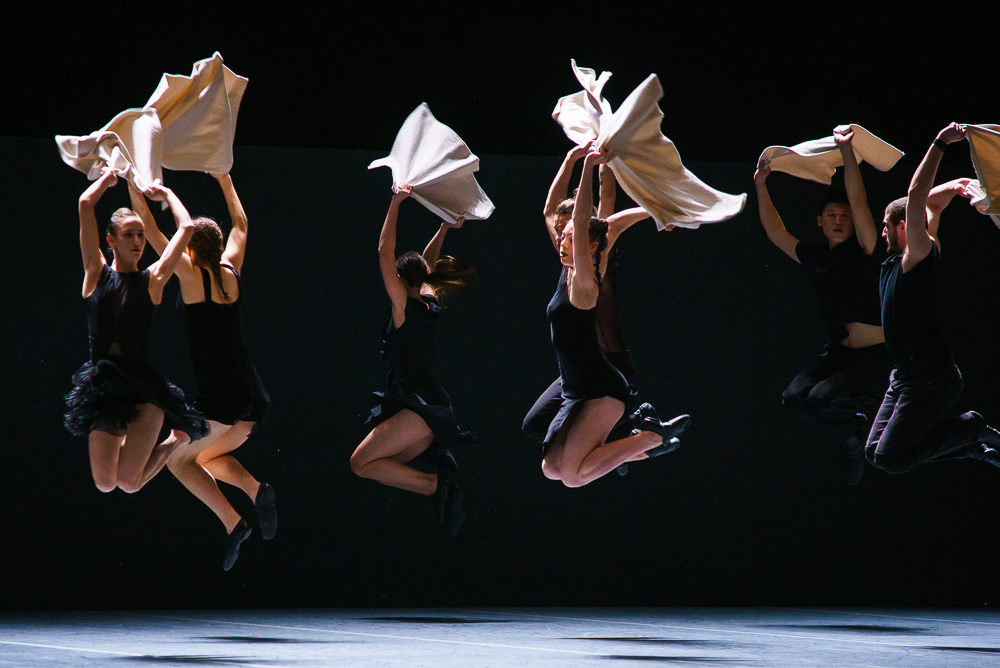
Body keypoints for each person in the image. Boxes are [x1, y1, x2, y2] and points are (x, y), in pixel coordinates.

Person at [128, 173, 274, 571]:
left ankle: (233, 523)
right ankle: (256, 490)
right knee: (204, 459)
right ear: (220, 246)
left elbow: (152, 228)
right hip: (250, 392)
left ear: (190, 249)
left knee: (177, 462)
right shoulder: (230, 270)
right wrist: (225, 177)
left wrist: (133, 182)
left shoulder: (191, 274)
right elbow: (241, 223)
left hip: (223, 398)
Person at [523, 140, 689, 473]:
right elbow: (550, 211)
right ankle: (627, 447)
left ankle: (638, 438)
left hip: (609, 363)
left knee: (573, 469)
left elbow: (606, 207)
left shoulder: (593, 263)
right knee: (538, 432)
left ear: (587, 238)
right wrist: (571, 158)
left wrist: (602, 162)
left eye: (567, 231)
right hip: (577, 372)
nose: (560, 236)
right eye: (560, 232)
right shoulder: (568, 264)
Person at [753, 127, 891, 484]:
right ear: (820, 221)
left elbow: (858, 200)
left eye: (844, 215)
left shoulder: (864, 247)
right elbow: (776, 233)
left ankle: (857, 429)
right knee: (794, 398)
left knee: (820, 398)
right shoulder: (815, 257)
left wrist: (846, 153)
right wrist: (761, 185)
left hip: (878, 356)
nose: (839, 220)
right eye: (832, 215)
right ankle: (852, 431)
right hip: (839, 353)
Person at [866, 122, 1000, 473]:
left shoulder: (918, 254)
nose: (882, 232)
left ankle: (971, 428)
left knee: (889, 458)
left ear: (902, 227)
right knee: (874, 453)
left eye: (885, 225)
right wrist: (954, 186)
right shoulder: (896, 260)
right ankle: (971, 446)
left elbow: (917, 195)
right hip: (904, 376)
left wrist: (941, 143)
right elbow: (931, 204)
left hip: (930, 377)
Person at [64, 167, 207, 495]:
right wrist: (110, 176)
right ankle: (135, 436)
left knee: (129, 483)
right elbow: (85, 203)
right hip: (105, 387)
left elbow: (186, 228)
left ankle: (175, 439)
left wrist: (165, 194)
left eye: (141, 235)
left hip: (145, 389)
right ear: (110, 240)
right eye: (129, 235)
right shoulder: (95, 272)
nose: (138, 242)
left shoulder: (152, 280)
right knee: (104, 483)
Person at [350, 184, 476, 535]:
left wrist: (396, 202)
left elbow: (383, 252)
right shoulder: (428, 300)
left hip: (419, 410)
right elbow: (427, 264)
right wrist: (444, 227)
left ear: (401, 280)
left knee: (360, 463)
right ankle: (438, 489)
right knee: (378, 466)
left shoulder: (404, 307)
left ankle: (437, 485)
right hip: (427, 408)